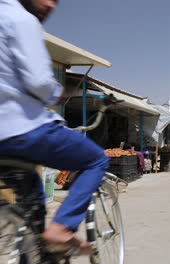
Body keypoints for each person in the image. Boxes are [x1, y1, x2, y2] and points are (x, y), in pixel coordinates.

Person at [0, 0, 109, 254]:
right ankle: (61, 228)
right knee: (96, 160)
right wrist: (56, 92)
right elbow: (38, 81)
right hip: (23, 129)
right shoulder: (21, 20)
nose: (50, 4)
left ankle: (37, 248)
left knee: (32, 213)